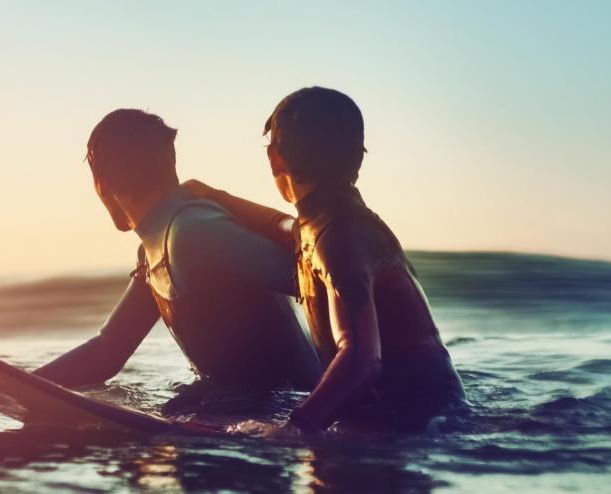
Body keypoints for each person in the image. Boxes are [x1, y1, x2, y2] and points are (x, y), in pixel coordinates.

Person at [189, 87, 466, 434]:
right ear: (359, 156)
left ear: (275, 158)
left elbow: (361, 360)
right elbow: (283, 225)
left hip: (415, 424)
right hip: (424, 414)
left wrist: (292, 429)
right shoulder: (329, 225)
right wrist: (217, 197)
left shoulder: (341, 238)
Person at [32, 109, 321, 402]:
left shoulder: (192, 232)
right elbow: (109, 350)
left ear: (101, 186)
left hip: (294, 411)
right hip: (244, 408)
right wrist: (22, 387)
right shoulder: (156, 246)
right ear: (169, 164)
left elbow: (319, 276)